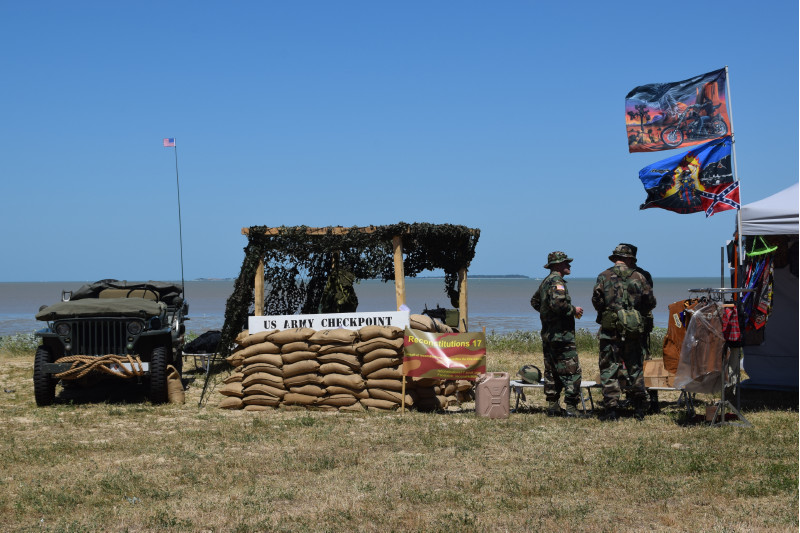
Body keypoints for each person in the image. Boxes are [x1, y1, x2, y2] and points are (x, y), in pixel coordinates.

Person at [592, 244, 656, 421]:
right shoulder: (640, 277)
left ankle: (611, 410)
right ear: (630, 259)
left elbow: (596, 300)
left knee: (609, 368)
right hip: (633, 330)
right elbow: (650, 302)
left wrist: (609, 310)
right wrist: (634, 312)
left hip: (610, 330)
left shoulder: (603, 276)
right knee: (635, 367)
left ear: (615, 258)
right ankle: (639, 409)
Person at [531, 251, 585, 418]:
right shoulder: (556, 281)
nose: (569, 265)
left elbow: (535, 302)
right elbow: (558, 304)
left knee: (552, 371)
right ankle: (571, 407)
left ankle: (553, 406)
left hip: (549, 334)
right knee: (572, 371)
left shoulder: (545, 282)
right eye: (565, 263)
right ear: (557, 265)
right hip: (562, 335)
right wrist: (573, 310)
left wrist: (546, 317)